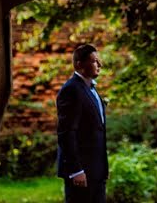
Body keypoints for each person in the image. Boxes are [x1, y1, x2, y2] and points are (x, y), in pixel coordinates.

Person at [56, 44, 108, 203]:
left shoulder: (91, 88)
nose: (99, 65)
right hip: (81, 172)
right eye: (94, 61)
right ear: (79, 64)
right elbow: (66, 133)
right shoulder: (71, 90)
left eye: (99, 61)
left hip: (96, 170)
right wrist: (76, 170)